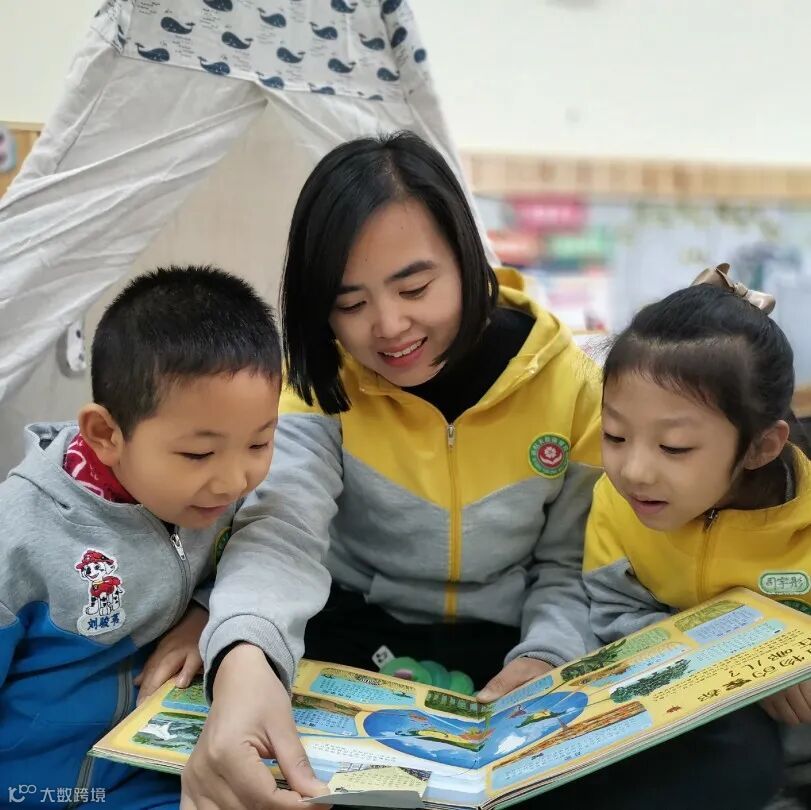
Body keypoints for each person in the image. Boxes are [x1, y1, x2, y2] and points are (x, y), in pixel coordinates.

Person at [171, 131, 604, 809]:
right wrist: (245, 655)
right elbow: (281, 534)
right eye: (350, 304)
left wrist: (545, 657)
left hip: (506, 646)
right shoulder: (318, 386)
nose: (390, 326)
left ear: (467, 257)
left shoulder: (575, 388)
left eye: (415, 287)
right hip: (354, 635)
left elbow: (570, 564)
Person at [0, 266, 282, 808]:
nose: (233, 480)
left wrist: (204, 615)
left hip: (157, 781)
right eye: (198, 453)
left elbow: (251, 563)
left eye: (259, 443)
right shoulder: (19, 536)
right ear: (106, 434)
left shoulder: (220, 500)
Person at [583, 263, 810, 807]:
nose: (634, 471)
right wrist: (739, 656)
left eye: (675, 447)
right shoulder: (616, 504)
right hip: (702, 748)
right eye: (615, 435)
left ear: (761, 446)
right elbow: (612, 613)